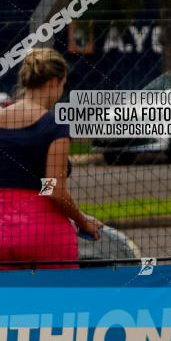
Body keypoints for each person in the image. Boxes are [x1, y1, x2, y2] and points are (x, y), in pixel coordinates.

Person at [0, 49, 102, 270]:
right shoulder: (54, 126)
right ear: (54, 81)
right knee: (56, 302)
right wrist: (82, 220)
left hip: (2, 230)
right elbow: (52, 189)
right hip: (42, 231)